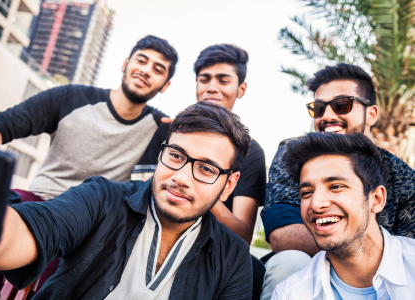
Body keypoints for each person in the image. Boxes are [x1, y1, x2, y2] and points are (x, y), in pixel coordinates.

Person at [0, 101, 253, 300]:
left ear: (229, 184)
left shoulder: (233, 258)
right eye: (175, 155)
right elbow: (28, 231)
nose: (182, 177)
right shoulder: (102, 199)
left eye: (206, 169)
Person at [0, 35, 178, 296]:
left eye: (158, 69)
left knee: (62, 280)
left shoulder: (161, 130)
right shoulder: (71, 97)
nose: (147, 70)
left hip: (90, 223)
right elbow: (1, 126)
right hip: (39, 198)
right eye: (142, 60)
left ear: (165, 85)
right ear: (126, 63)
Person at [260, 63, 415, 299]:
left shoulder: (403, 175)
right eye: (319, 108)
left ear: (371, 114)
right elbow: (282, 235)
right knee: (290, 260)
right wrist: (356, 240)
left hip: (392, 276)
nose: (328, 116)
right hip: (310, 273)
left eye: (342, 105)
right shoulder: (295, 155)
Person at [138, 44, 266, 299]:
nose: (212, 87)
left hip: (205, 252)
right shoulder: (169, 133)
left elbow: (242, 236)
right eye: (204, 79)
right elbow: (136, 194)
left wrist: (206, 187)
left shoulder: (252, 154)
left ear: (241, 88)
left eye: (223, 79)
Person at [272, 132, 415, 299]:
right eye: (307, 192)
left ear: (376, 199)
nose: (316, 204)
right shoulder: (290, 294)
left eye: (336, 186)